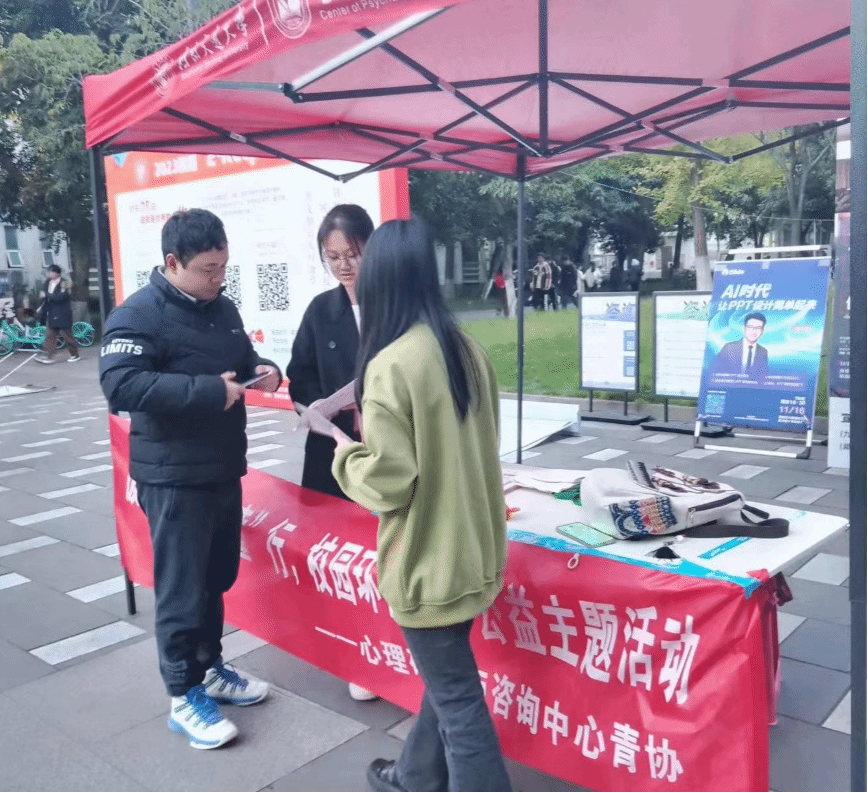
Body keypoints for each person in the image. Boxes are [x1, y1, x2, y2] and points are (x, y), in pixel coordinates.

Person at [331, 217, 511, 793]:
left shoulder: (391, 364)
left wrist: (344, 455)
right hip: (474, 552)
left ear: (378, 281)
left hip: (428, 562)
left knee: (458, 701)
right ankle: (415, 777)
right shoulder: (466, 348)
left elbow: (389, 483)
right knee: (448, 683)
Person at [99, 209, 282, 750]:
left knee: (214, 577)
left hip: (222, 467)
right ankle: (183, 695)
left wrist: (263, 370)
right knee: (182, 588)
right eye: (208, 269)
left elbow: (241, 361)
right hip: (173, 477)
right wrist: (205, 391)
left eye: (223, 267)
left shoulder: (222, 307)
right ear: (172, 262)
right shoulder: (138, 314)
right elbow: (120, 385)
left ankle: (210, 668)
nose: (218, 278)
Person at [285, 203, 379, 703]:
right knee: (338, 548)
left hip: (386, 452)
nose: (344, 265)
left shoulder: (393, 307)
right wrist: (321, 408)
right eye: (333, 256)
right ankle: (352, 648)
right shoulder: (322, 311)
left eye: (353, 254)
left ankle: (380, 646)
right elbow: (299, 376)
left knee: (381, 550)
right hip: (334, 448)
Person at [35, 265, 79, 364]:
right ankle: (48, 356)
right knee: (50, 335)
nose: (49, 274)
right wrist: (41, 307)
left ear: (57, 273)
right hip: (52, 312)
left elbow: (61, 297)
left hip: (62, 312)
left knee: (67, 335)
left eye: (51, 272)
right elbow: (43, 296)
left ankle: (75, 354)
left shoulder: (64, 283)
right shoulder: (47, 282)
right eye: (49, 272)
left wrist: (47, 295)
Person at [711, 312, 770, 381]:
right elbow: (715, 372)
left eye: (758, 328)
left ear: (762, 330)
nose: (754, 331)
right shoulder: (729, 348)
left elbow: (762, 376)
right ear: (745, 328)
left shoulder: (763, 352)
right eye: (750, 327)